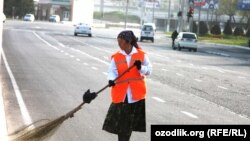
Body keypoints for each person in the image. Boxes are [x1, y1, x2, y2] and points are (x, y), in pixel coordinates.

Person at [83, 30, 152, 141]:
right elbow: (112, 71)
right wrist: (111, 80)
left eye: (120, 42)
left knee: (126, 126)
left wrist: (141, 68)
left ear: (128, 42)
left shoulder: (141, 55)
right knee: (122, 125)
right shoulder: (116, 56)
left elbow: (149, 71)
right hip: (121, 95)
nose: (118, 44)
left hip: (135, 96)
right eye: (118, 41)